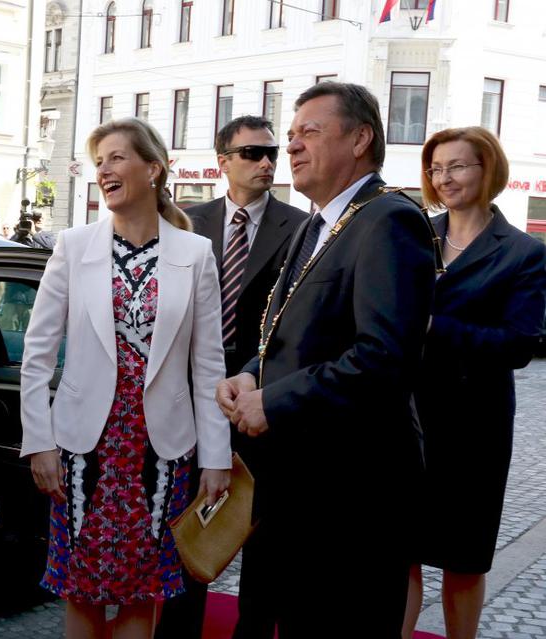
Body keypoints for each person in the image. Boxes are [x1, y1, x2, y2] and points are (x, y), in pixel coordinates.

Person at [216, 82, 437, 637]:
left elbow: (383, 358)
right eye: (291, 135)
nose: (291, 146)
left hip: (351, 494)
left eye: (309, 132)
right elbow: (287, 335)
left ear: (360, 139)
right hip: (291, 482)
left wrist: (275, 401)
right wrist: (248, 376)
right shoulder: (316, 223)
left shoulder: (388, 220)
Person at [20, 117, 232, 638]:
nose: (104, 170)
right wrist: (39, 442)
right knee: (81, 589)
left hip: (161, 451)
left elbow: (209, 364)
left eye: (116, 157)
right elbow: (37, 353)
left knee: (144, 592)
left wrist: (217, 457)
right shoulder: (74, 246)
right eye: (99, 162)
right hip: (82, 448)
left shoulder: (195, 253)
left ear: (153, 169)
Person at [156, 116, 306, 639]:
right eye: (252, 153)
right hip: (190, 398)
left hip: (260, 398)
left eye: (272, 153)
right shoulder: (186, 221)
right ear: (223, 161)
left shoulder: (301, 227)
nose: (267, 162)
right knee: (187, 523)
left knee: (263, 535)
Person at [402, 127, 546, 639]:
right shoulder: (413, 234)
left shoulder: (523, 252)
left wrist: (433, 328)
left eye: (458, 166)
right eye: (437, 168)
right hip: (406, 415)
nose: (444, 178)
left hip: (474, 424)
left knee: (464, 556)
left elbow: (519, 344)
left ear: (488, 170)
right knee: (403, 551)